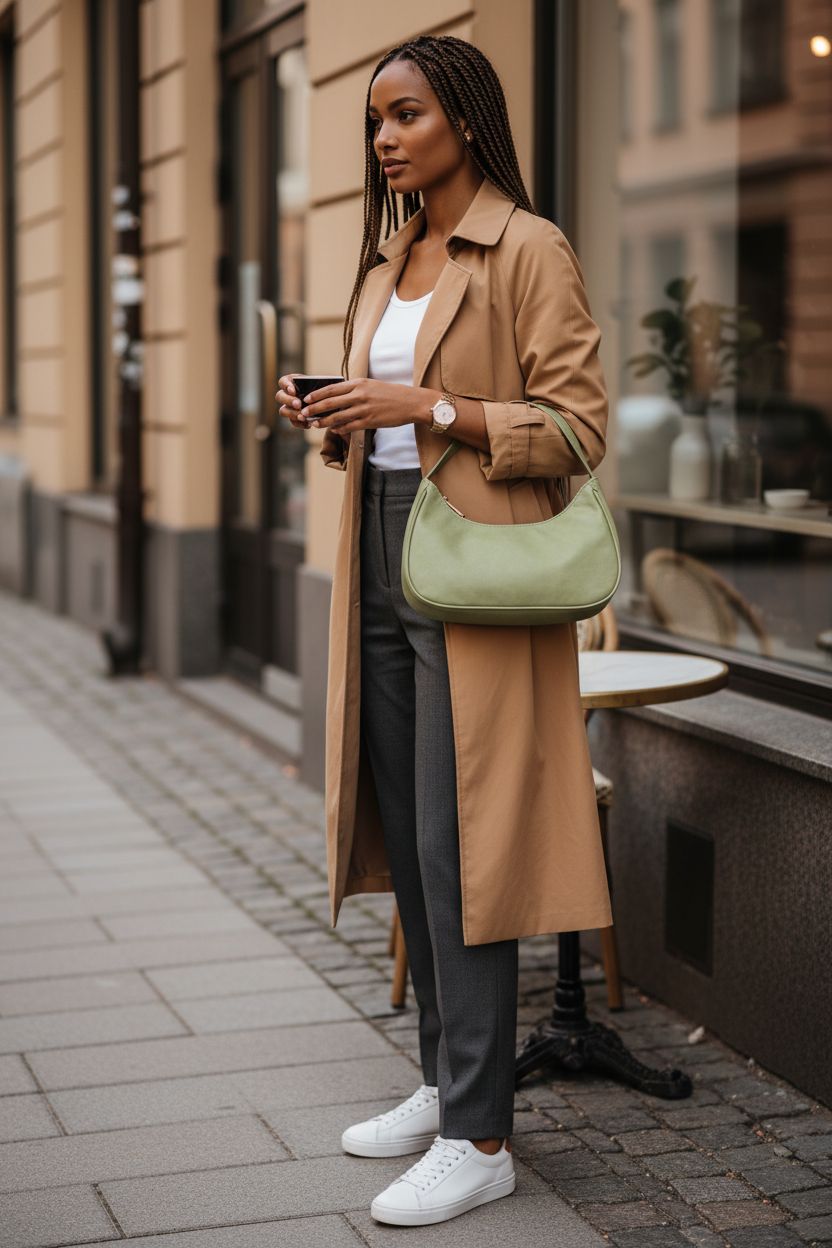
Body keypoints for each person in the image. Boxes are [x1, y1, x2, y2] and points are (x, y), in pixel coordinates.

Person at [276, 33, 613, 1229]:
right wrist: (333, 414)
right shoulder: (389, 255)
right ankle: (442, 1079)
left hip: (471, 568)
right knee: (410, 839)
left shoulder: (527, 249)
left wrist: (431, 406)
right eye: (374, 120)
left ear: (464, 119)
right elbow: (387, 420)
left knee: (457, 843)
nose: (383, 138)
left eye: (404, 115)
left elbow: (578, 428)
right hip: (377, 544)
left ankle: (481, 1137)